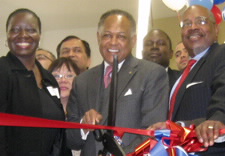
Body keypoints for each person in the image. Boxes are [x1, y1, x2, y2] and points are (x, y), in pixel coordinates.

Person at [66, 9, 169, 155]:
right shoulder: (82, 81)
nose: (113, 42)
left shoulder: (151, 74)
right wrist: (83, 125)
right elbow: (71, 140)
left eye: (121, 36)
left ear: (133, 40)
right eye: (107, 35)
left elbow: (152, 132)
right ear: (98, 37)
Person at [148, 5, 225, 155]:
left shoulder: (221, 54)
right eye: (187, 24)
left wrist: (218, 119)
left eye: (201, 21)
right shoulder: (183, 75)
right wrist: (170, 127)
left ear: (216, 30)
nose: (193, 27)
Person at [0, 8, 71, 155]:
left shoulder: (49, 79)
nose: (23, 35)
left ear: (40, 36)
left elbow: (59, 132)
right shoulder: (3, 70)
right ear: (7, 36)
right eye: (15, 30)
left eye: (31, 30)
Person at [48, 57, 80, 156]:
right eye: (57, 76)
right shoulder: (41, 112)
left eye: (69, 75)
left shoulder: (85, 112)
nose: (63, 80)